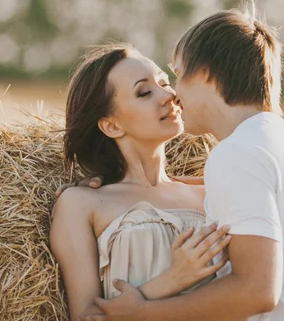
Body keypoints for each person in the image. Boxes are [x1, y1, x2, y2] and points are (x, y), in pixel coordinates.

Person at [77, 4, 284, 320]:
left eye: (176, 76)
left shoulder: (236, 154)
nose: (174, 95)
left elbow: (257, 292)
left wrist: (144, 311)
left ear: (206, 74)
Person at [49, 43, 234, 321]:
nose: (168, 95)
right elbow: (86, 316)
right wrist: (171, 280)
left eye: (164, 82)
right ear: (111, 126)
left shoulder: (211, 191)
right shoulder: (80, 203)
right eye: (144, 92)